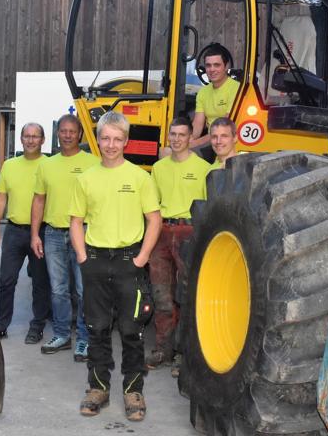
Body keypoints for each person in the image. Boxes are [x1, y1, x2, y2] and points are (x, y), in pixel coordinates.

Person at [70, 111, 161, 421]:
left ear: (127, 141)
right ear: (97, 139)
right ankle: (97, 388)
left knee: (132, 331)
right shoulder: (85, 179)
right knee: (96, 329)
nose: (111, 144)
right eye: (105, 138)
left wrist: (142, 258)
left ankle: (133, 391)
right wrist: (83, 257)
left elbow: (154, 219)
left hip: (128, 262)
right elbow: (76, 221)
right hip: (94, 261)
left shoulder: (140, 177)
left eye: (117, 139)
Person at [30, 114, 98, 361]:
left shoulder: (93, 163)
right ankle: (61, 335)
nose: (68, 135)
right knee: (58, 289)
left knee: (83, 289)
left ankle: (84, 339)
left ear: (80, 135)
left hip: (84, 233)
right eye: (63, 131)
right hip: (53, 235)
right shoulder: (46, 165)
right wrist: (34, 234)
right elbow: (39, 200)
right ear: (57, 134)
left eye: (72, 131)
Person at [146, 117, 211, 371]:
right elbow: (152, 205)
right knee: (162, 294)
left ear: (190, 138)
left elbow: (207, 206)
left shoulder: (204, 168)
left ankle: (183, 354)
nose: (176, 139)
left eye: (181, 135)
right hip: (162, 231)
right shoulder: (159, 168)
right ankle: (163, 349)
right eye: (172, 134)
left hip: (189, 232)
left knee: (186, 295)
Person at [0, 123, 51, 344]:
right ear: (21, 139)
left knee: (40, 283)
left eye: (35, 136)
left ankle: (37, 326)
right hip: (14, 232)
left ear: (43, 140)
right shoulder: (9, 165)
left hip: (41, 232)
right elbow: (0, 197)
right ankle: (0, 324)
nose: (31, 140)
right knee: (6, 280)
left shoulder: (50, 165)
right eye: (27, 136)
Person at [190, 45, 240, 152]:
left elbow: (224, 127)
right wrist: (187, 139)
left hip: (223, 140)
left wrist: (194, 144)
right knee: (165, 151)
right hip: (207, 140)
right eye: (208, 65)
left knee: (188, 154)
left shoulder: (236, 89)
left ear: (226, 66)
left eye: (216, 65)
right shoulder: (203, 92)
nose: (212, 69)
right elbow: (197, 126)